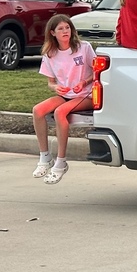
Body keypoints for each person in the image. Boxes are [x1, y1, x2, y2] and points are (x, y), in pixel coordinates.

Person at [32, 14, 96, 184]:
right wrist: (56, 87)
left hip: (85, 94)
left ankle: (61, 162)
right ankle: (45, 157)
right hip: (65, 94)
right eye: (61, 29)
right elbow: (50, 83)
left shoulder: (84, 47)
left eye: (67, 27)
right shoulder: (50, 54)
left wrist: (84, 82)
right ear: (53, 33)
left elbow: (97, 71)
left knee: (61, 112)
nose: (65, 31)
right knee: (38, 110)